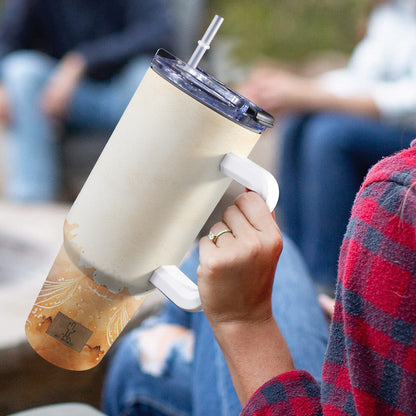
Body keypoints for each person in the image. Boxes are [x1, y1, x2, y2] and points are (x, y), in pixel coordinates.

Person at [103, 140, 416, 414]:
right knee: (221, 262)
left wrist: (243, 321)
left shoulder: (401, 199)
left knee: (138, 363)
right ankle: (171, 332)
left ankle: (163, 336)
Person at [239, 0, 416, 291]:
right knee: (299, 122)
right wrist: (289, 90)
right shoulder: (395, 12)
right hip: (393, 125)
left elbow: (406, 101)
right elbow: (361, 79)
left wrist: (311, 94)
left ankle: (326, 280)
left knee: (329, 136)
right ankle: (293, 263)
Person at [0, 0, 173, 202]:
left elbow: (159, 34)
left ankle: (132, 203)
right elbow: (8, 40)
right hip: (63, 100)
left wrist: (83, 60)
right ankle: (33, 197)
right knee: (21, 72)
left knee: (145, 75)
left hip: (124, 98)